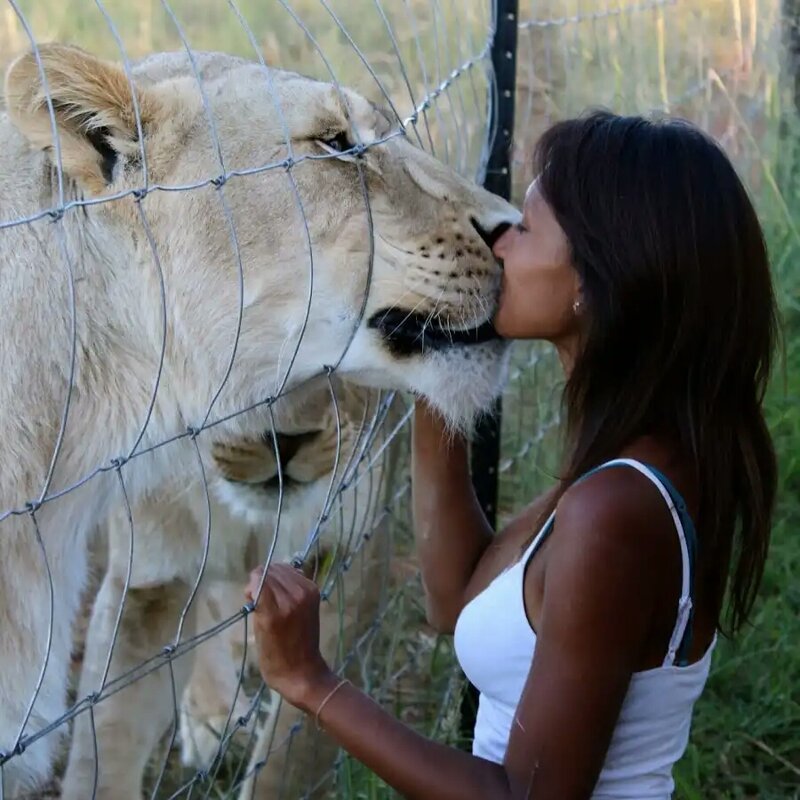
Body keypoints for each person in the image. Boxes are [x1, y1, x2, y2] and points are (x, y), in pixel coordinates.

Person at [244, 110, 778, 799]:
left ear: (590, 281)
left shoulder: (616, 509)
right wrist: (441, 349)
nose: (495, 246)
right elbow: (452, 599)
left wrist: (308, 681)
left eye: (523, 229)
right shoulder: (638, 458)